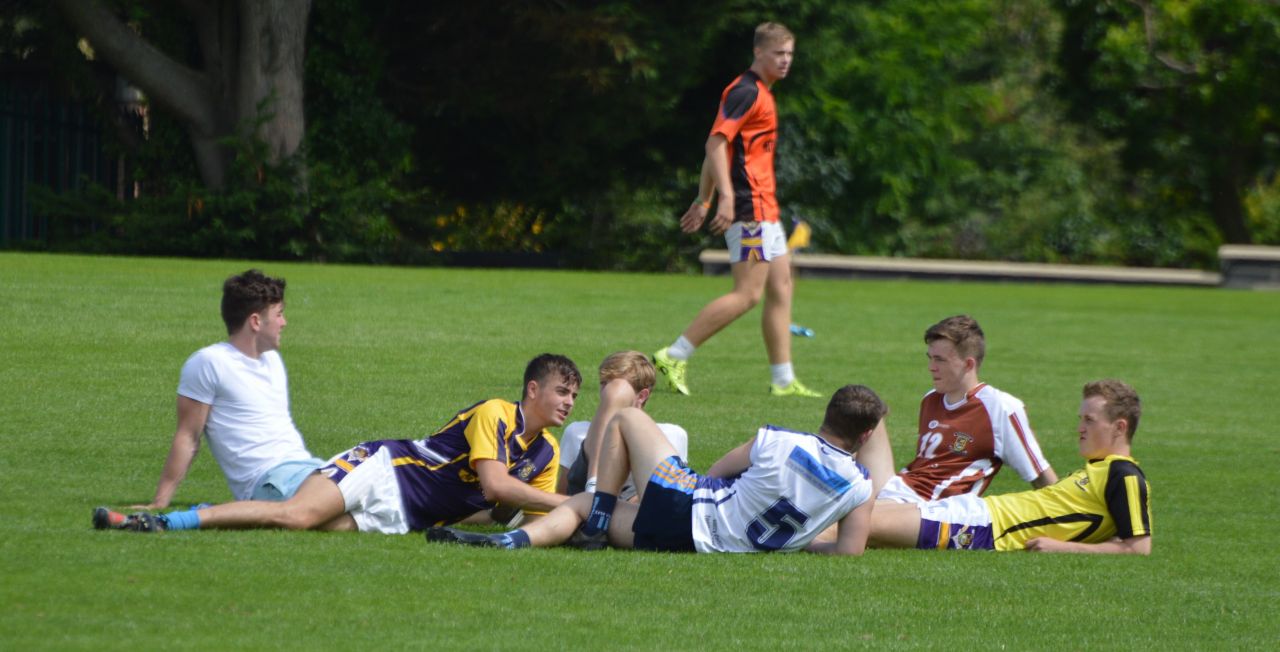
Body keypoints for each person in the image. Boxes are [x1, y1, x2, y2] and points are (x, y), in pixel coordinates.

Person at [94, 354, 582, 534]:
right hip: (387, 468)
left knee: (307, 526)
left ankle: (212, 511)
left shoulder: (548, 453)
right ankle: (162, 521)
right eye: (562, 391)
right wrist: (571, 502)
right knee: (296, 515)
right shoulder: (497, 412)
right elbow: (497, 488)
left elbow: (505, 513)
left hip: (409, 515)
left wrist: (580, 523)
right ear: (533, 390)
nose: (569, 403)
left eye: (575, 396)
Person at [428, 384, 887, 555]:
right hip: (704, 545)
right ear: (866, 436)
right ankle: (519, 538)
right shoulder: (859, 488)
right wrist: (795, 545)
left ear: (826, 414)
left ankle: (573, 523)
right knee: (584, 503)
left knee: (628, 417)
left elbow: (720, 470)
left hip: (689, 509)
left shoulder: (782, 440)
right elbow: (849, 551)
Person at [652, 22, 820, 398]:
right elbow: (715, 144)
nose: (786, 61)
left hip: (766, 209)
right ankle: (674, 353)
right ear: (759, 53)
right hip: (749, 209)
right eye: (779, 54)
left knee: (781, 288)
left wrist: (703, 198)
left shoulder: (762, 92)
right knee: (747, 294)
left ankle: (782, 380)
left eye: (790, 54)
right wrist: (724, 199)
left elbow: (721, 150)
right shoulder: (745, 91)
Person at [95, 270, 324, 531]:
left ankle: (229, 514)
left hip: (308, 468)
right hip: (272, 481)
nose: (284, 323)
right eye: (279, 314)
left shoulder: (272, 360)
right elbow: (188, 437)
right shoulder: (209, 363)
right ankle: (194, 518)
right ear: (255, 322)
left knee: (366, 503)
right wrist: (160, 501)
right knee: (356, 502)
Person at [870, 380, 1151, 554]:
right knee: (862, 513)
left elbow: (1138, 547)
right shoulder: (1094, 471)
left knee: (865, 523)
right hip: (976, 512)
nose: (1079, 428)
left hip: (983, 529)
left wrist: (1062, 547)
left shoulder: (1123, 474)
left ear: (1119, 427)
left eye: (1089, 420)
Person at [873, 315, 1058, 504]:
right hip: (897, 489)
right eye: (930, 358)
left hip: (930, 510)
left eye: (940, 360)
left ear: (968, 364)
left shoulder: (999, 407)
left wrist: (1070, 523)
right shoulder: (931, 399)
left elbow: (1039, 474)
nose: (931, 367)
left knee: (854, 522)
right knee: (861, 408)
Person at [558, 351, 688, 498]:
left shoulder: (672, 435)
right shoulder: (577, 432)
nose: (606, 392)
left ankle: (598, 494)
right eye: (603, 384)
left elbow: (674, 495)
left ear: (642, 396)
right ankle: (595, 489)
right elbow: (563, 495)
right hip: (584, 509)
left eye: (614, 387)